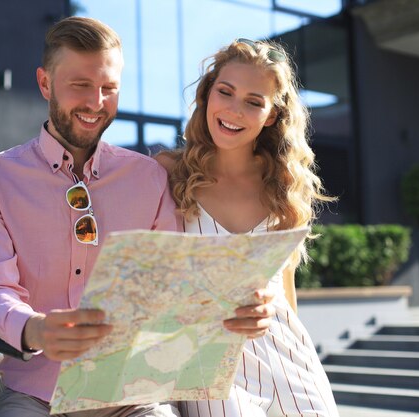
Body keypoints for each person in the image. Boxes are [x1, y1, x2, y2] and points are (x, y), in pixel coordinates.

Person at [0, 17, 274, 417]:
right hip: (33, 398)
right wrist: (35, 329)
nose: (96, 102)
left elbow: (175, 285)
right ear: (45, 84)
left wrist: (241, 306)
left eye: (109, 89)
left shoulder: (149, 177)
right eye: (80, 85)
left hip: (133, 399)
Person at [157, 39, 339, 417]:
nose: (234, 110)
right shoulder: (166, 173)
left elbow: (284, 285)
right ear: (208, 94)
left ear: (272, 115)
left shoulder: (285, 185)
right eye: (226, 92)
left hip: (284, 349)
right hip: (206, 356)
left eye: (254, 102)